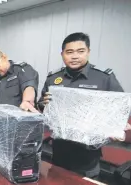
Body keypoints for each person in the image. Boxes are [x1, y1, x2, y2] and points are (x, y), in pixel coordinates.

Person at [38, 32, 124, 178]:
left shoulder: (103, 78)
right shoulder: (54, 78)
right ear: (62, 54)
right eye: (69, 52)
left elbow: (120, 107)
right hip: (60, 147)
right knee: (57, 179)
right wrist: (43, 103)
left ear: (88, 52)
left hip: (88, 153)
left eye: (80, 51)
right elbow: (41, 104)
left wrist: (117, 126)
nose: (75, 56)